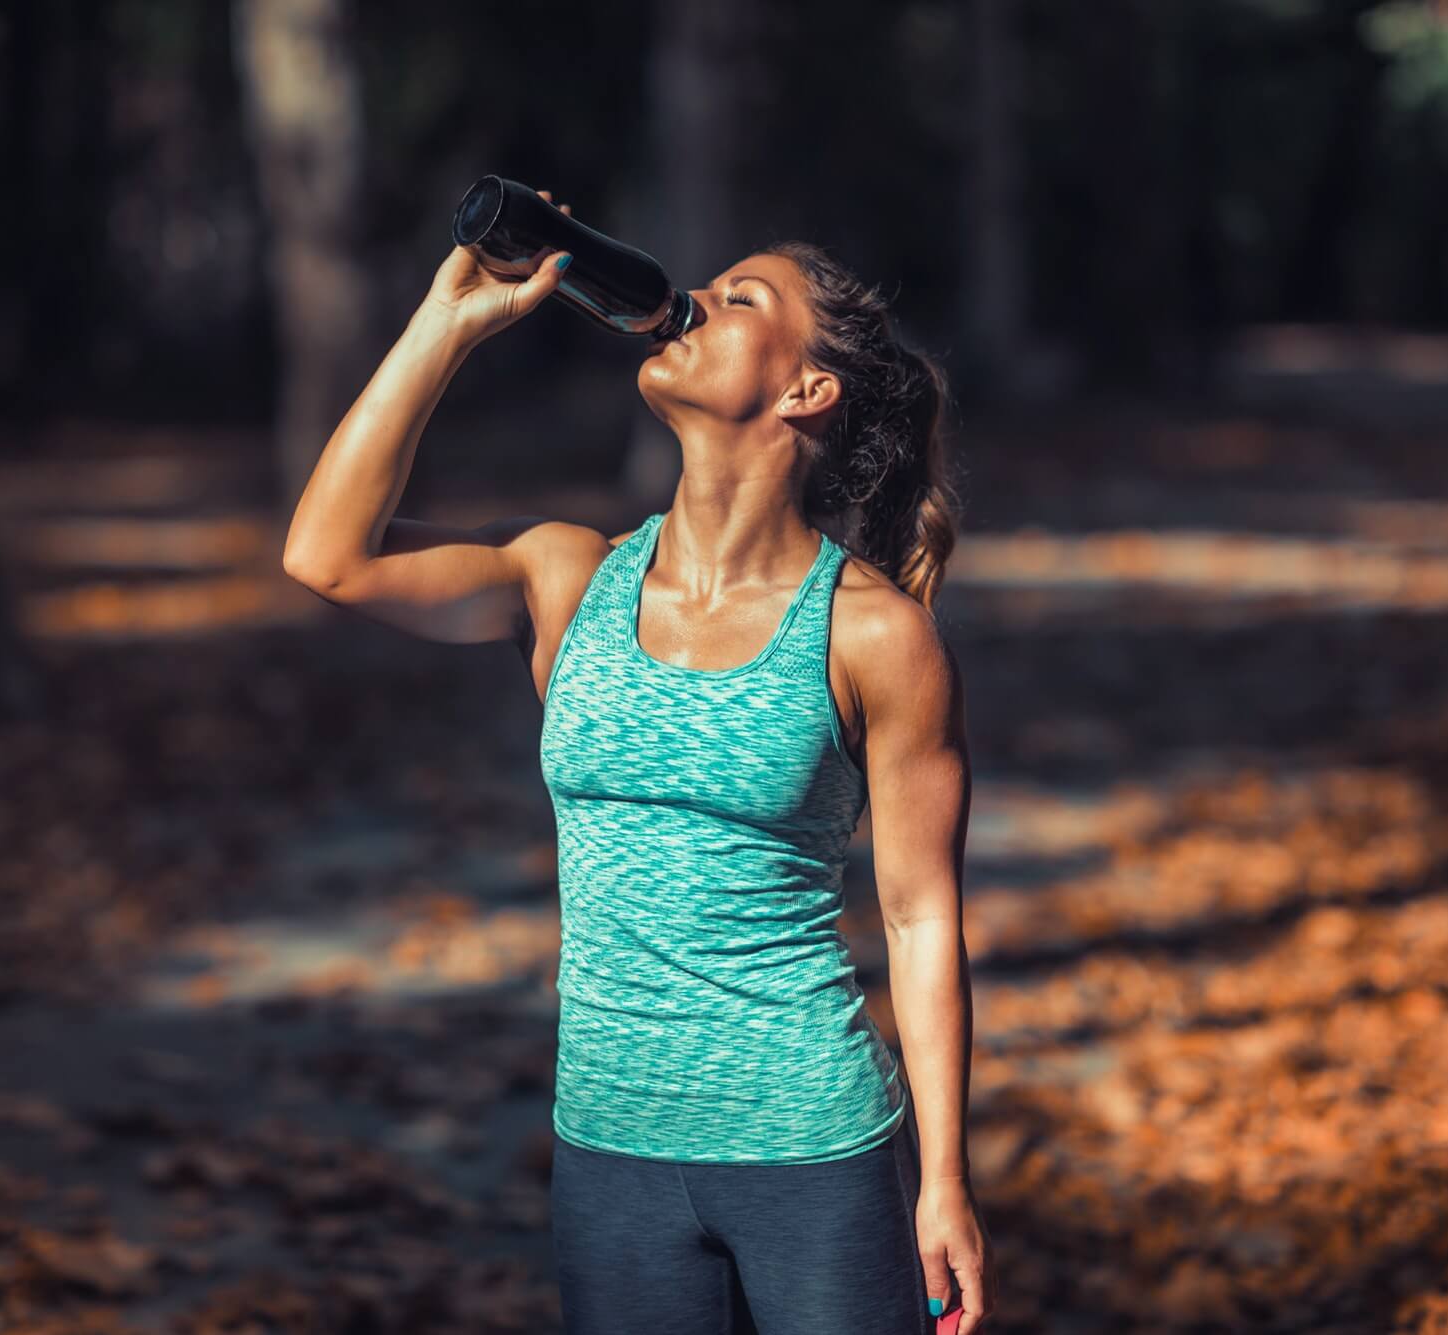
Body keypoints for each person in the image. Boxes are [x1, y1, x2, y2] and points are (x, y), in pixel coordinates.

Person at [282, 188, 993, 1335]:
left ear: (807, 390)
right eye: (702, 289)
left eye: (738, 298)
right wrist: (443, 323)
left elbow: (918, 920)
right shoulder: (567, 576)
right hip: (609, 1145)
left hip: (806, 1146)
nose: (691, 305)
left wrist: (945, 1180)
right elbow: (327, 556)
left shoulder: (871, 635)